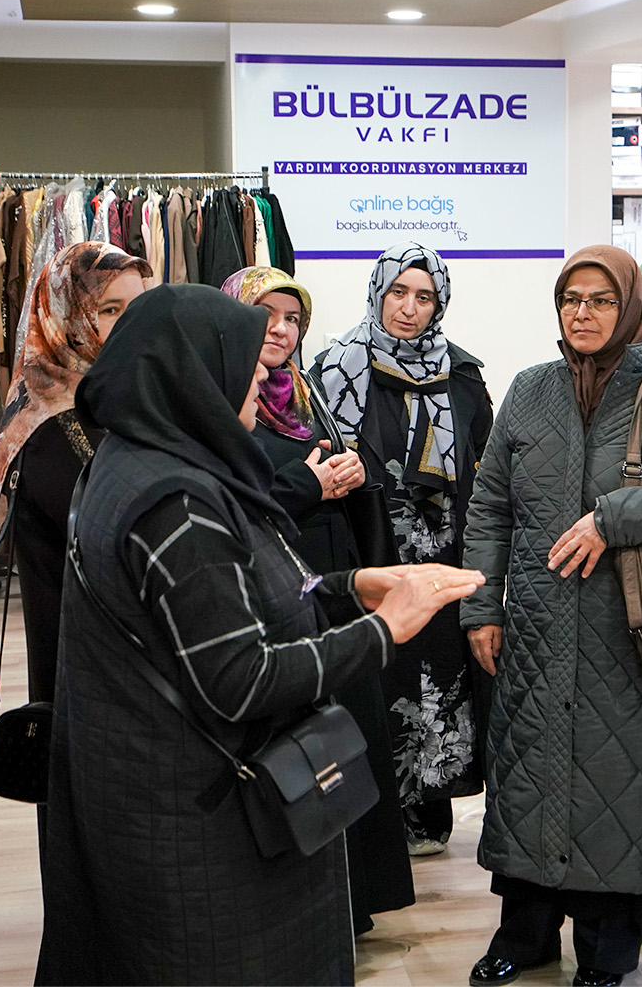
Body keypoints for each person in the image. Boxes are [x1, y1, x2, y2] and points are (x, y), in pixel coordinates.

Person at [35, 285, 481, 986]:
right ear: (193, 376)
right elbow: (243, 679)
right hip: (204, 827)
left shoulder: (143, 460)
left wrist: (349, 586)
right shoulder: (176, 504)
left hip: (165, 800)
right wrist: (385, 629)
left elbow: (232, 601)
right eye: (244, 366)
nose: (260, 382)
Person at [463, 245, 642, 987]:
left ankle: (607, 952)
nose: (582, 313)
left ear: (631, 308)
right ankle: (524, 934)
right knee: (530, 785)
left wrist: (612, 518)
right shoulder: (529, 391)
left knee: (621, 794)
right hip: (537, 634)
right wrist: (483, 606)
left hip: (632, 640)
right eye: (571, 299)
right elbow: (490, 508)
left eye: (601, 300)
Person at [236, 264, 417, 931]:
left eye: (293, 319)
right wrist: (309, 487)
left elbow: (326, 468)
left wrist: (353, 470)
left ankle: (359, 900)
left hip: (335, 583)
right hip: (283, 590)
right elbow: (239, 506)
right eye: (266, 316)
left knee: (352, 730)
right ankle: (319, 907)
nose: (281, 330)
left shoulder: (303, 391)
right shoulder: (226, 403)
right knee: (307, 742)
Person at [307, 244, 495, 857]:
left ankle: (430, 810)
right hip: (372, 551)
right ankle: (379, 818)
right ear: (378, 291)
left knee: (440, 674)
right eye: (398, 293)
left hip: (444, 554)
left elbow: (485, 465)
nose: (409, 308)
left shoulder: (461, 375)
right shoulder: (335, 368)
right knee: (380, 671)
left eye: (424, 297)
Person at [0, 241, 153, 704]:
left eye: (139, 307)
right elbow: (122, 539)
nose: (132, 324)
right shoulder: (52, 425)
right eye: (110, 309)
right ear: (67, 315)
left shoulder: (108, 396)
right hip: (92, 671)